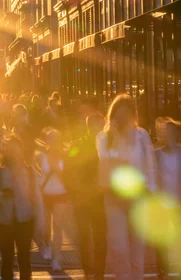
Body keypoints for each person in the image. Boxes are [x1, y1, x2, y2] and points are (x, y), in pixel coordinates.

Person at [96, 94, 157, 280]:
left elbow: (150, 165)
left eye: (127, 114)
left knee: (137, 252)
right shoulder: (103, 137)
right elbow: (106, 161)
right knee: (120, 249)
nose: (123, 118)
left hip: (138, 197)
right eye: (118, 114)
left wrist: (151, 194)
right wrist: (116, 137)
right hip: (114, 198)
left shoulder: (142, 135)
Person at [0, 136, 44, 280]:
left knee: (24, 257)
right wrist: (2, 195)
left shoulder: (30, 172)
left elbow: (37, 200)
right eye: (10, 150)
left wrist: (41, 224)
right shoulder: (0, 172)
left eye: (16, 149)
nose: (14, 153)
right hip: (3, 222)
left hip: (25, 219)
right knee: (6, 259)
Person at [64, 113, 107, 280]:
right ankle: (97, 272)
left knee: (88, 236)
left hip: (87, 198)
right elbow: (68, 168)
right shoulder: (98, 145)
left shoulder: (81, 145)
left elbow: (68, 167)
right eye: (100, 125)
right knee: (96, 236)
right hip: (93, 198)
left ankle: (91, 271)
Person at [154, 117, 181, 280]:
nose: (168, 135)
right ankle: (163, 270)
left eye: (171, 132)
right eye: (165, 132)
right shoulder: (156, 155)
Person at [38, 129, 69, 272]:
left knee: (58, 227)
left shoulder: (66, 156)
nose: (55, 142)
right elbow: (35, 170)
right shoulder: (41, 156)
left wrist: (56, 168)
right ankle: (47, 245)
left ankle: (56, 259)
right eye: (52, 139)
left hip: (61, 194)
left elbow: (69, 177)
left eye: (57, 139)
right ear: (47, 141)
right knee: (45, 225)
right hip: (45, 194)